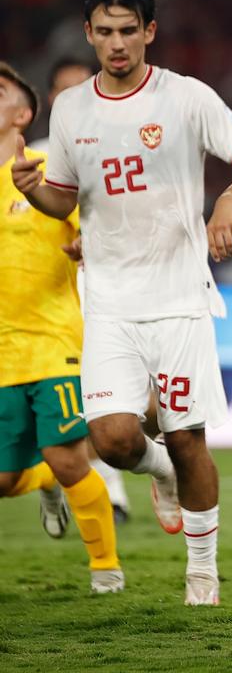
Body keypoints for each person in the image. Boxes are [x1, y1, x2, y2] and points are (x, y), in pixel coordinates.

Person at [11, 0, 232, 606]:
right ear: (89, 36)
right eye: (104, 32)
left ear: (149, 32)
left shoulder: (186, 98)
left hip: (179, 298)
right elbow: (64, 199)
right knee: (113, 439)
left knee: (187, 436)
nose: (117, 43)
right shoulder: (73, 110)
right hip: (108, 303)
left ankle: (202, 573)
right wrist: (33, 192)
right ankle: (157, 474)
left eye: (128, 30)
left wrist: (229, 201)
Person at [0, 61, 122, 593]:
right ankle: (43, 480)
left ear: (23, 113)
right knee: (6, 480)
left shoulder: (50, 166)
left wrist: (86, 247)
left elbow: (98, 226)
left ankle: (105, 569)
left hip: (54, 340)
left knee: (71, 456)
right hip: (3, 350)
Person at [29, 55, 133, 523]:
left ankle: (108, 488)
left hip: (99, 284)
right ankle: (55, 476)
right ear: (52, 98)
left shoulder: (113, 151)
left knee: (104, 390)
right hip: (43, 295)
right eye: (64, 90)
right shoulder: (30, 159)